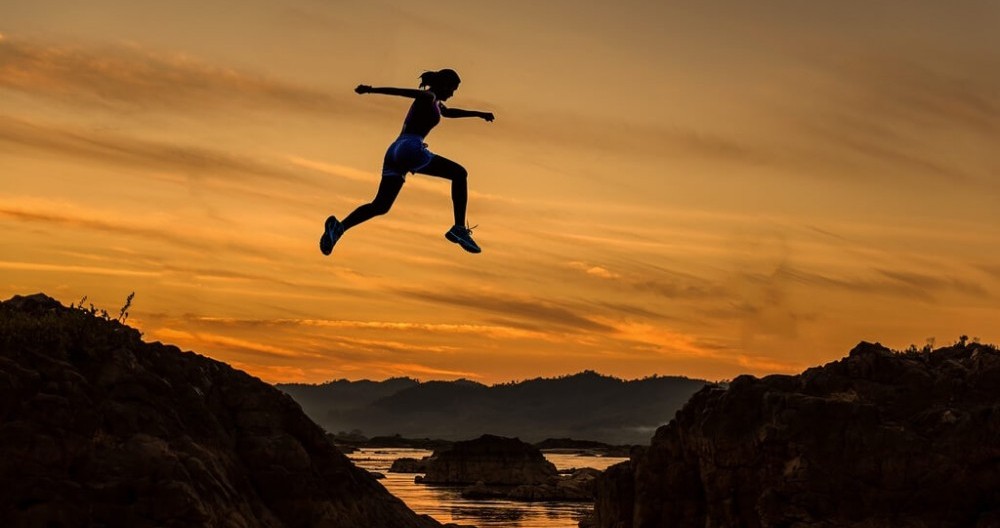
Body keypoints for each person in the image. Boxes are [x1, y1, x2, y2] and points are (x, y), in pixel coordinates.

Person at [320, 68, 494, 256]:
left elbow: (449, 113)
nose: (452, 94)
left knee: (380, 205)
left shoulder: (436, 103)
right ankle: (459, 228)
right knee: (459, 173)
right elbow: (402, 92)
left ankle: (339, 228)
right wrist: (371, 89)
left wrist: (478, 113)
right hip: (410, 147)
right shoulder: (428, 96)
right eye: (452, 89)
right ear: (444, 84)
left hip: (394, 150)